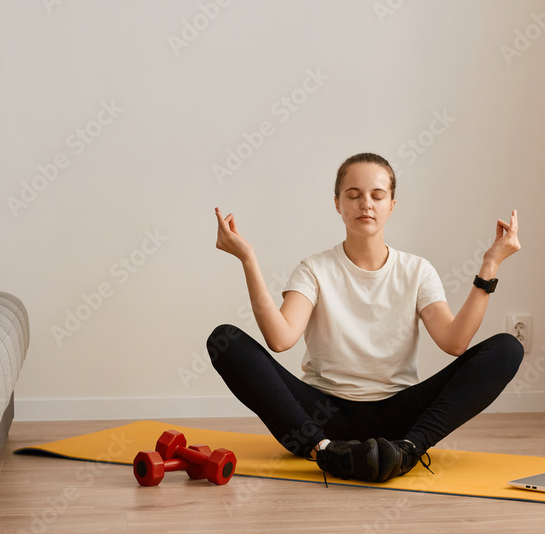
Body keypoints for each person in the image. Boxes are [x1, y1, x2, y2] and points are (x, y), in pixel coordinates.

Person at [208, 152, 524, 483]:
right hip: (321, 416)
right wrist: (247, 258)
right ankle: (326, 452)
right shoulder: (314, 269)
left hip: (398, 416)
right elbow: (280, 338)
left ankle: (409, 450)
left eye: (377, 195)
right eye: (354, 195)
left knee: (507, 348)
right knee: (224, 340)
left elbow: (455, 342)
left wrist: (491, 265)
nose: (366, 205)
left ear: (392, 204)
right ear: (337, 203)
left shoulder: (417, 271)